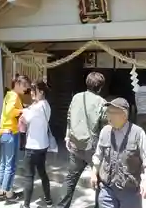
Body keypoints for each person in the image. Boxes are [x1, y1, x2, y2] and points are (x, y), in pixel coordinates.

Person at [91, 98, 146, 208]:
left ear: (124, 115)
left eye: (112, 113)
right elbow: (98, 155)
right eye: (108, 112)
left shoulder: (137, 133)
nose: (108, 116)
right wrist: (94, 173)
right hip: (107, 189)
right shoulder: (105, 131)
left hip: (130, 191)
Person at [57, 72, 108, 208]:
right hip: (93, 148)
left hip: (75, 144)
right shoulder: (102, 103)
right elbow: (104, 128)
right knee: (100, 180)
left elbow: (69, 117)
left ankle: (62, 206)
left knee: (70, 178)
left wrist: (67, 136)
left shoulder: (76, 97)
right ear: (100, 87)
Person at [0, 75, 31, 203]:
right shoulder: (14, 95)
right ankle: (8, 192)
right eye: (25, 85)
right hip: (11, 133)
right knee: (11, 164)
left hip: (4, 133)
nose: (26, 88)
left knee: (4, 163)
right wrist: (23, 110)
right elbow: (11, 111)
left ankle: (0, 191)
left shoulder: (9, 95)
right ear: (18, 83)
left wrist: (21, 109)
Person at [19, 79, 53, 208]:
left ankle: (26, 205)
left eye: (34, 90)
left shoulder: (36, 108)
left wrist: (25, 110)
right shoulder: (46, 105)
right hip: (43, 146)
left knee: (29, 176)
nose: (31, 93)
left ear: (41, 92)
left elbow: (24, 120)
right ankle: (48, 199)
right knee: (42, 172)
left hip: (32, 146)